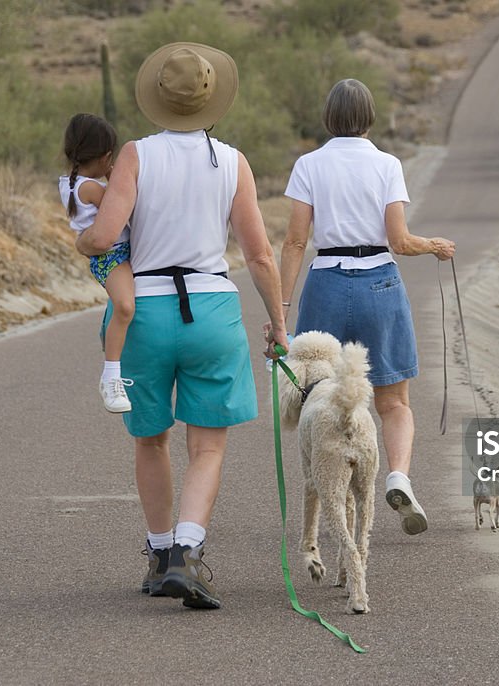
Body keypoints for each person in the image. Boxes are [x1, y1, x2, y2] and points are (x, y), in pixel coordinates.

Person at [75, 42, 288, 609]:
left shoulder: (136, 157)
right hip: (212, 308)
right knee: (208, 448)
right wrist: (279, 322)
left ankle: (159, 553)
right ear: (211, 100)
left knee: (151, 440)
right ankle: (190, 553)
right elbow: (261, 255)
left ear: (156, 100)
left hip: (145, 309)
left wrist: (83, 241)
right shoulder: (233, 161)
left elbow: (102, 236)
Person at [277, 78, 455, 535]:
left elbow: (296, 240)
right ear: (370, 117)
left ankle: (332, 491)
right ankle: (397, 477)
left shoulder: (309, 164)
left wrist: (280, 305)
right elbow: (399, 240)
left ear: (328, 118)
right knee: (393, 401)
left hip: (326, 283)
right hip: (379, 281)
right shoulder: (387, 164)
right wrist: (432, 245)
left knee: (323, 395)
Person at [59, 113, 135, 413]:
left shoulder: (71, 182)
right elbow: (122, 206)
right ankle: (111, 375)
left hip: (111, 256)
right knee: (126, 306)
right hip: (112, 256)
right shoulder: (91, 188)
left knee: (125, 305)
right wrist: (118, 176)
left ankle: (109, 327)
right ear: (105, 156)